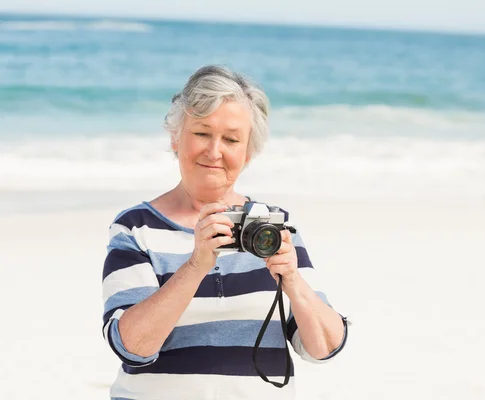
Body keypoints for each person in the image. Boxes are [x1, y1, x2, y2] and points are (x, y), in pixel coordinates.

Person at [101, 65, 348, 399]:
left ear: (248, 153)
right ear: (176, 136)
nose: (214, 152)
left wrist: (292, 281)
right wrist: (195, 265)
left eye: (231, 139)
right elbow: (132, 346)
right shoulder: (136, 228)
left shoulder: (271, 228)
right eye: (202, 133)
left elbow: (324, 347)